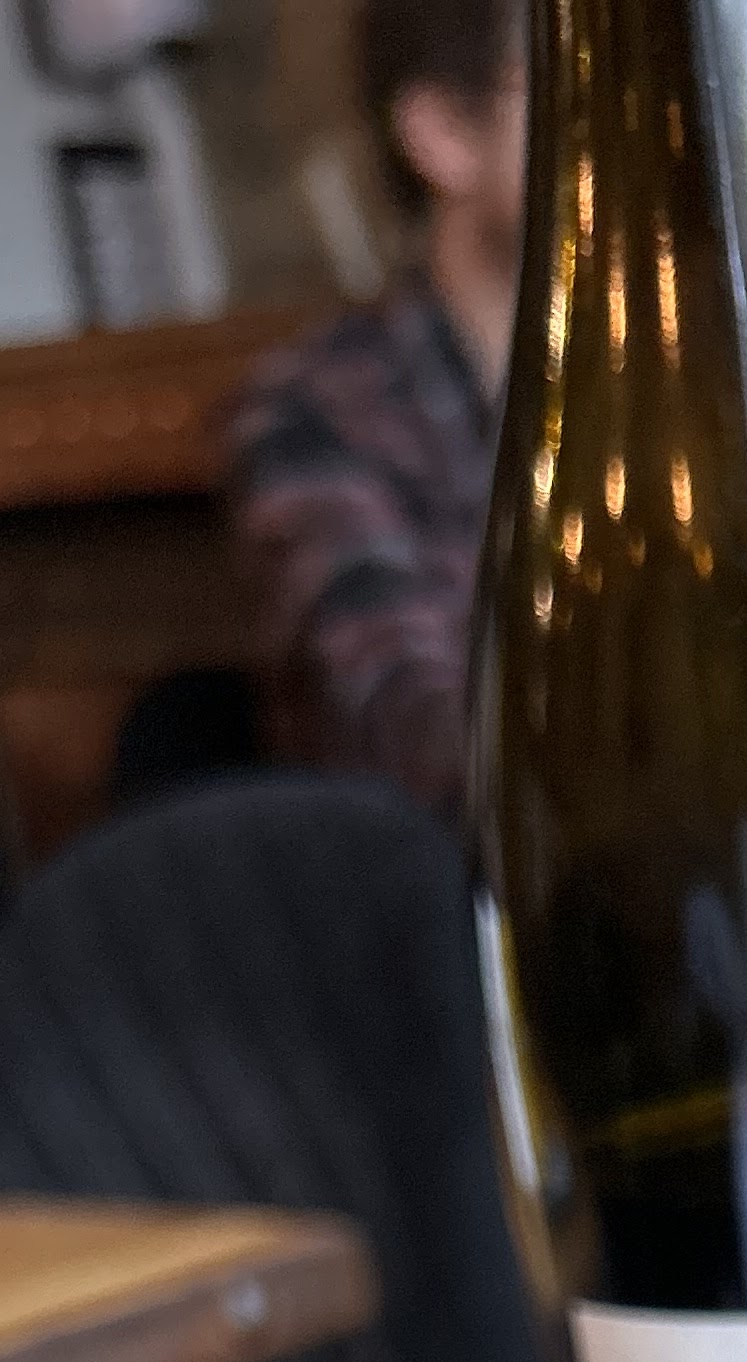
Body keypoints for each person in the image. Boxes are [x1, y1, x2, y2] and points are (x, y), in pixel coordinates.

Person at [227, 0, 525, 819]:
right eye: (574, 83)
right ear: (442, 135)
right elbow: (409, 736)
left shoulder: (689, 369)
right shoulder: (315, 413)